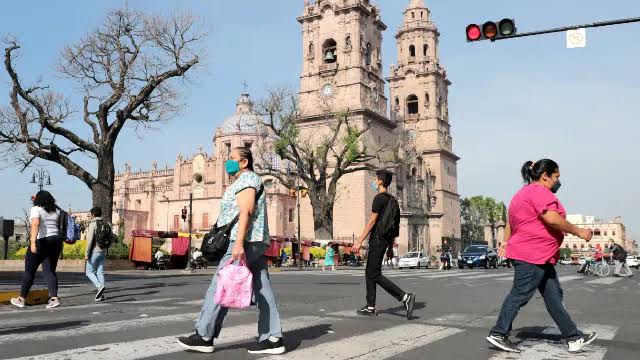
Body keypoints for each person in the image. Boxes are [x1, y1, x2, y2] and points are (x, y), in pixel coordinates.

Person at [178, 147, 285, 355]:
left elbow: (246, 210)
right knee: (263, 289)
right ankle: (273, 337)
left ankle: (204, 336)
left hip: (243, 241)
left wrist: (237, 243)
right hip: (254, 241)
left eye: (232, 158)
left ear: (244, 162)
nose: (228, 162)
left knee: (220, 285)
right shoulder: (243, 181)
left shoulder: (247, 179)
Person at [486, 159, 597, 354]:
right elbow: (551, 217)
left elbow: (511, 222)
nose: (558, 181)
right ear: (545, 176)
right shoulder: (538, 192)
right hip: (532, 254)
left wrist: (506, 242)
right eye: (556, 177)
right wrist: (578, 231)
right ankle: (499, 332)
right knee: (520, 293)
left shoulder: (521, 194)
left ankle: (573, 337)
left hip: (541, 256)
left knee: (553, 297)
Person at [352, 170, 415, 319]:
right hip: (385, 240)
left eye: (376, 179)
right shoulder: (392, 200)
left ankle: (405, 297)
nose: (374, 181)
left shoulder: (379, 198)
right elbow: (395, 225)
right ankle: (370, 306)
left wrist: (359, 241)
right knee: (370, 272)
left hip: (378, 239)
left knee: (374, 273)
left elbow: (372, 221)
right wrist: (390, 247)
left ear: (380, 181)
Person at [11, 191, 63, 309]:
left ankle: (21, 299)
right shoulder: (57, 210)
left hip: (42, 240)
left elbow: (35, 224)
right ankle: (54, 299)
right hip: (56, 241)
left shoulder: (36, 208)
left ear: (38, 199)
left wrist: (33, 242)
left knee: (29, 270)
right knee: (50, 270)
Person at [85, 207, 110, 302]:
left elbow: (90, 240)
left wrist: (87, 253)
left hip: (95, 251)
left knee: (89, 272)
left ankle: (99, 286)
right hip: (103, 251)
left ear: (93, 215)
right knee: (100, 272)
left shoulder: (93, 224)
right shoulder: (107, 224)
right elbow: (112, 238)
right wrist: (106, 247)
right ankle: (101, 295)